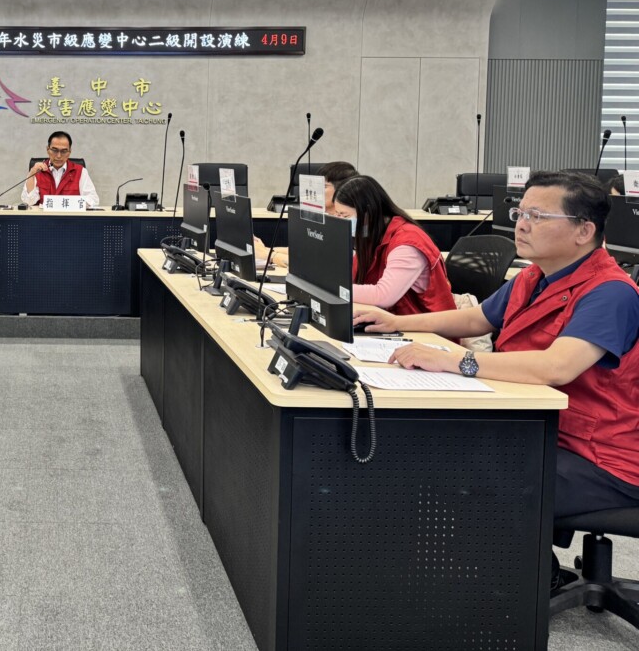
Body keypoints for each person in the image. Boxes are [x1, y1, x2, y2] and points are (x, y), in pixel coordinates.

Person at [357, 170, 639, 522]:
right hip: (534, 424)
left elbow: (557, 367)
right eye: (520, 213)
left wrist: (458, 360)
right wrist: (396, 322)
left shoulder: (610, 293)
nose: (522, 225)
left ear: (584, 231)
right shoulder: (534, 275)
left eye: (538, 216)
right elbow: (476, 319)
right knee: (423, 446)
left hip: (598, 457)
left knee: (452, 479)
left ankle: (513, 558)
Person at [330, 174, 455, 314]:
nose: (341, 220)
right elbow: (352, 275)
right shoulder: (372, 235)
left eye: (345, 215)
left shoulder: (407, 243)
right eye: (337, 214)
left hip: (425, 324)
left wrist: (334, 287)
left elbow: (383, 295)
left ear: (367, 213)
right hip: (392, 318)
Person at [255, 161, 358, 269]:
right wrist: (264, 250)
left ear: (343, 189)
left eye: (323, 186)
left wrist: (270, 255)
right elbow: (306, 251)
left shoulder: (349, 224)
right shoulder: (322, 217)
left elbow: (317, 262)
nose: (316, 191)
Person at [21, 131, 99, 208]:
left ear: (69, 152)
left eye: (64, 151)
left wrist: (64, 204)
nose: (58, 156)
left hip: (70, 216)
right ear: (48, 149)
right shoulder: (37, 171)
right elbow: (28, 201)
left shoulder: (80, 171)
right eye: (54, 150)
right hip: (43, 216)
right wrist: (32, 173)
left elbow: (93, 200)